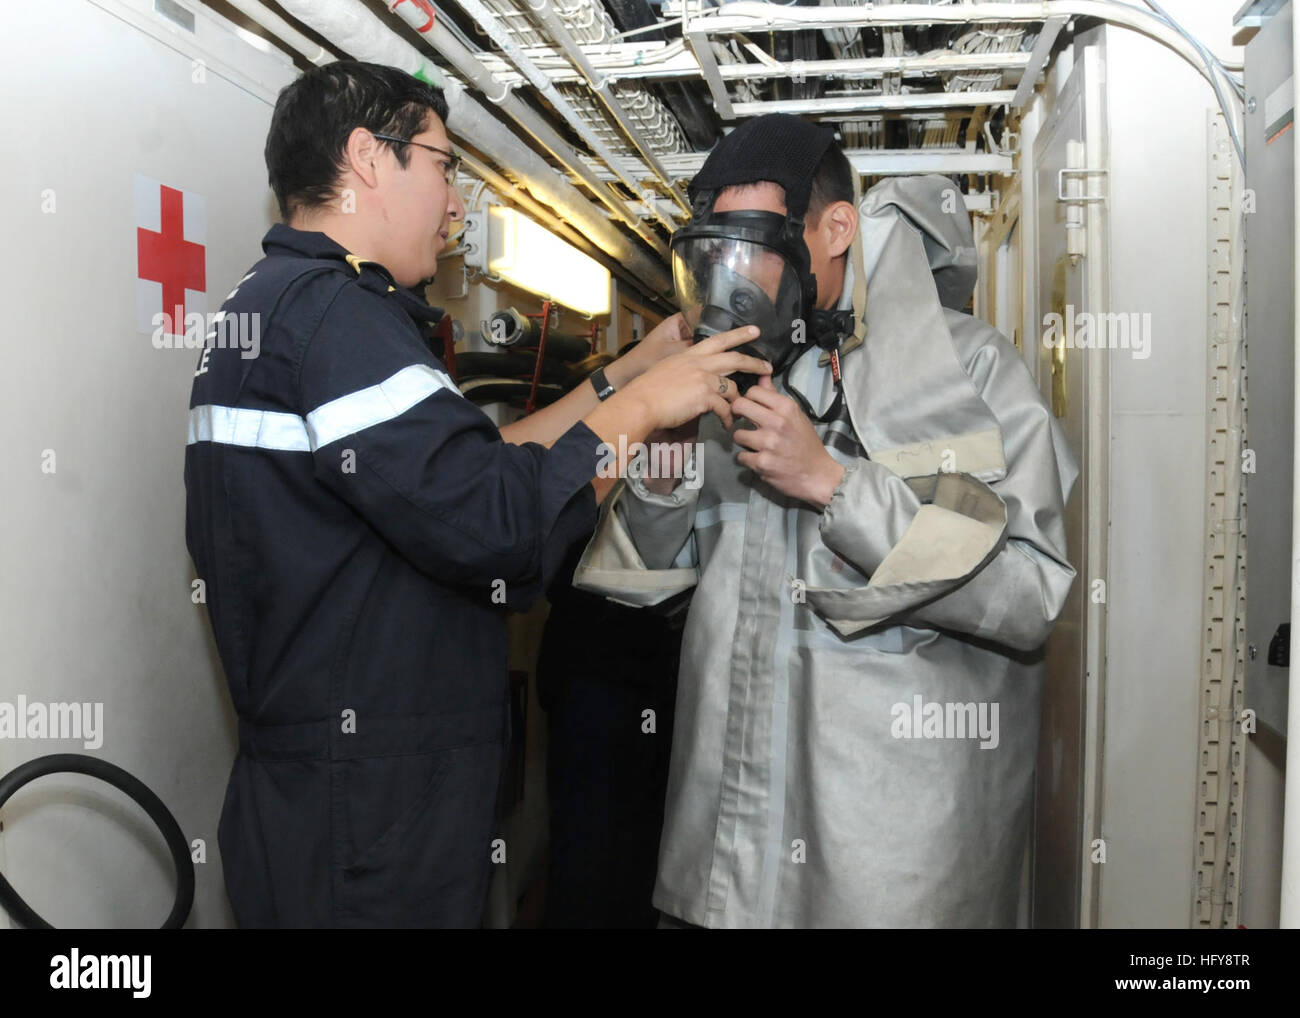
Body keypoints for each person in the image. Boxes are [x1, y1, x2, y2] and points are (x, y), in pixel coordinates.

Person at [183, 60, 769, 928]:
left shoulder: (282, 309)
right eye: (444, 165)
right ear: (368, 158)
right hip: (366, 822)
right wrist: (648, 408)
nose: (456, 203)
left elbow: (474, 471)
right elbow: (499, 523)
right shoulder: (337, 320)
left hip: (327, 798)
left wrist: (629, 372)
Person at [574, 113, 1080, 928]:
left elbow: (1026, 594)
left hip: (888, 875)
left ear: (836, 228)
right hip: (726, 872)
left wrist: (835, 485)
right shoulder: (735, 376)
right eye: (719, 252)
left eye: (759, 245)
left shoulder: (971, 366)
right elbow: (650, 586)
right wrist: (663, 461)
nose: (738, 277)